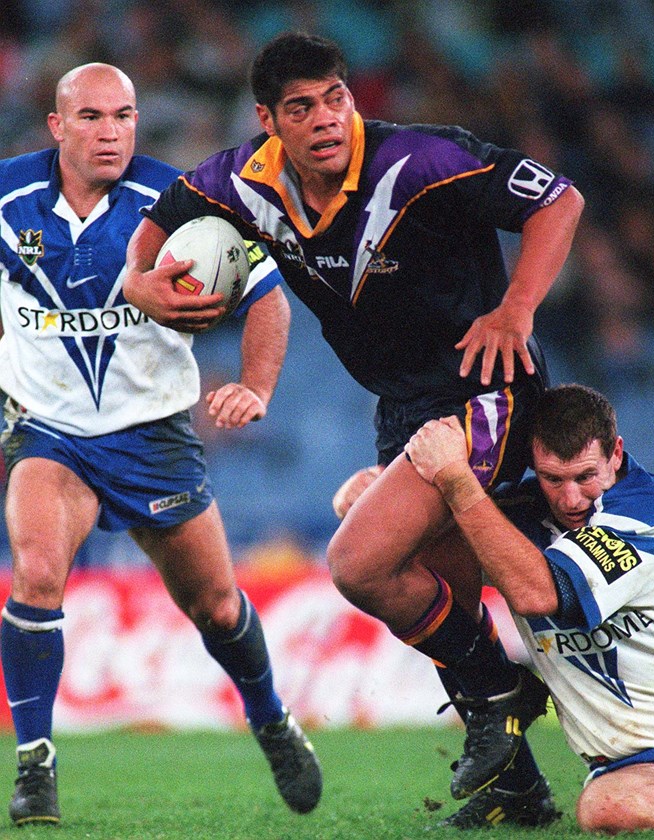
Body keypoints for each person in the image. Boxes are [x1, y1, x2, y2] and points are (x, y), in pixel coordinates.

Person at [121, 31, 583, 813]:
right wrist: (139, 286)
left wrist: (516, 308)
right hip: (399, 406)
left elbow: (559, 198)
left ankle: (503, 690)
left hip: (483, 393)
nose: (325, 118)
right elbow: (150, 237)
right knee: (445, 600)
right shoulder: (239, 182)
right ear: (269, 120)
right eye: (301, 107)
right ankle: (518, 791)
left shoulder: (421, 159)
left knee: (359, 565)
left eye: (334, 98)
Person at [0, 63, 322, 827]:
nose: (110, 132)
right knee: (36, 573)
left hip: (153, 436)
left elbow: (268, 298)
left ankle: (271, 720)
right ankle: (35, 764)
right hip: (50, 431)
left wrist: (256, 388)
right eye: (91, 118)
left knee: (215, 605)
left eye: (124, 116)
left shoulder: (178, 204)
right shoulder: (8, 199)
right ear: (57, 126)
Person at [405, 383, 654, 834]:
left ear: (616, 454)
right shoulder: (516, 512)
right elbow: (423, 545)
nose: (571, 499)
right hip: (634, 763)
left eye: (586, 476)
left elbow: (538, 595)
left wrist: (455, 478)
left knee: (604, 808)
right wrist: (374, 496)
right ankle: (514, 773)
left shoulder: (652, 509)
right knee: (605, 807)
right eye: (553, 479)